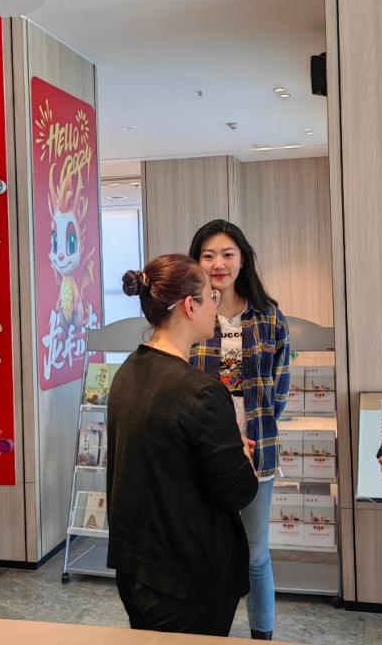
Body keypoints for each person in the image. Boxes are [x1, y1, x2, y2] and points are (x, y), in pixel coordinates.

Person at [107, 253, 258, 636]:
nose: (216, 307)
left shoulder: (127, 373)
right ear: (191, 306)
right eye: (212, 297)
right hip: (188, 579)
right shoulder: (201, 392)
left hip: (136, 569)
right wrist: (241, 455)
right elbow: (238, 491)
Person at [188, 219, 289, 641]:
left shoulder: (269, 317)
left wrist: (251, 430)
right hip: (200, 452)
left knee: (256, 554)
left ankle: (261, 635)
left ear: (242, 259)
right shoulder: (191, 313)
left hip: (257, 451)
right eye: (208, 255)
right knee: (204, 551)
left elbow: (279, 390)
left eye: (227, 254)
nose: (218, 264)